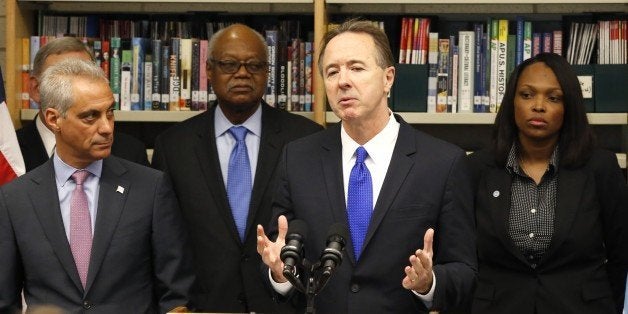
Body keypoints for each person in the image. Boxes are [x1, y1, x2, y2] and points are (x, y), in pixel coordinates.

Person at [256, 19, 476, 313]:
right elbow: (279, 254)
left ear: (388, 78)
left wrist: (429, 283)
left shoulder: (442, 163)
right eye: (332, 72)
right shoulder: (297, 159)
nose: (342, 81)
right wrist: (280, 274)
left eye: (356, 68)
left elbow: (465, 272)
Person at [151, 24, 323, 313]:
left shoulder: (306, 139)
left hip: (285, 304)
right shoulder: (173, 146)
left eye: (254, 65)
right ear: (208, 69)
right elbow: (166, 240)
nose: (242, 73)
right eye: (229, 64)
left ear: (268, 72)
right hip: (203, 307)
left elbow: (316, 226)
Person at [0, 59, 195, 313]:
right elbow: (5, 301)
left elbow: (176, 295)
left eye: (110, 112)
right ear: (53, 119)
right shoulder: (16, 198)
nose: (106, 128)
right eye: (90, 116)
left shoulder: (151, 189)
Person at [467, 52, 628, 314]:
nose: (538, 106)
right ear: (512, 102)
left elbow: (621, 255)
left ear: (569, 107)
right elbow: (465, 255)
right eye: (527, 95)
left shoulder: (600, 167)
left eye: (553, 98)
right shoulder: (477, 168)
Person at [17, 36, 149, 172]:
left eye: (87, 75)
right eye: (63, 78)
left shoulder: (131, 152)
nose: (106, 128)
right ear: (36, 89)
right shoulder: (8, 151)